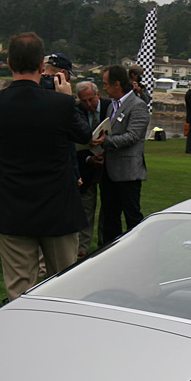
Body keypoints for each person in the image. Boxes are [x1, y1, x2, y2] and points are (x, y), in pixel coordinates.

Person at [0, 31, 90, 302]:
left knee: (18, 289)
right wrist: (69, 99)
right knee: (64, 286)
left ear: (8, 63)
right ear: (42, 66)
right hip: (57, 206)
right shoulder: (61, 105)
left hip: (12, 204)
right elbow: (85, 134)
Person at [99, 64, 149, 243]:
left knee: (132, 217)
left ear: (117, 84)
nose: (104, 88)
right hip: (110, 171)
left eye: (106, 84)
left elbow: (132, 136)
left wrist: (105, 142)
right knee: (110, 216)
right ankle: (110, 251)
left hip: (129, 173)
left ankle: (138, 249)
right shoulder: (111, 106)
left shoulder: (138, 106)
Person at [74, 80, 111, 257]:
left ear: (98, 95)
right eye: (84, 101)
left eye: (91, 100)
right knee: (86, 208)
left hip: (109, 165)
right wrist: (89, 158)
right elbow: (74, 144)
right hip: (86, 165)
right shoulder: (76, 111)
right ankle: (82, 249)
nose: (88, 104)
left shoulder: (110, 107)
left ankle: (105, 245)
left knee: (107, 208)